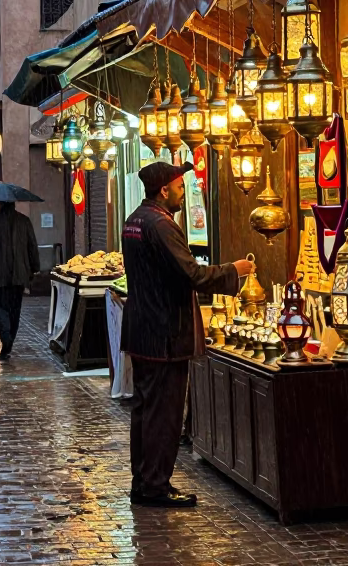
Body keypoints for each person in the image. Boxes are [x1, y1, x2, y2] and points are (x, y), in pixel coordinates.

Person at [121, 161, 254, 508]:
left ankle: (144, 481)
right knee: (163, 414)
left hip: (143, 331)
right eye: (180, 186)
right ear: (164, 190)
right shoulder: (160, 225)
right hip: (165, 334)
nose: (184, 191)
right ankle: (155, 486)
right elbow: (191, 274)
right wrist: (233, 272)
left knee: (145, 411)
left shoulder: (135, 219)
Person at [0, 201, 39, 360]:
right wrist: (34, 267)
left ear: (0, 204)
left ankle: (6, 338)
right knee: (15, 308)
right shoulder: (24, 221)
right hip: (19, 273)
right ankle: (9, 338)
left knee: (1, 307)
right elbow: (32, 245)